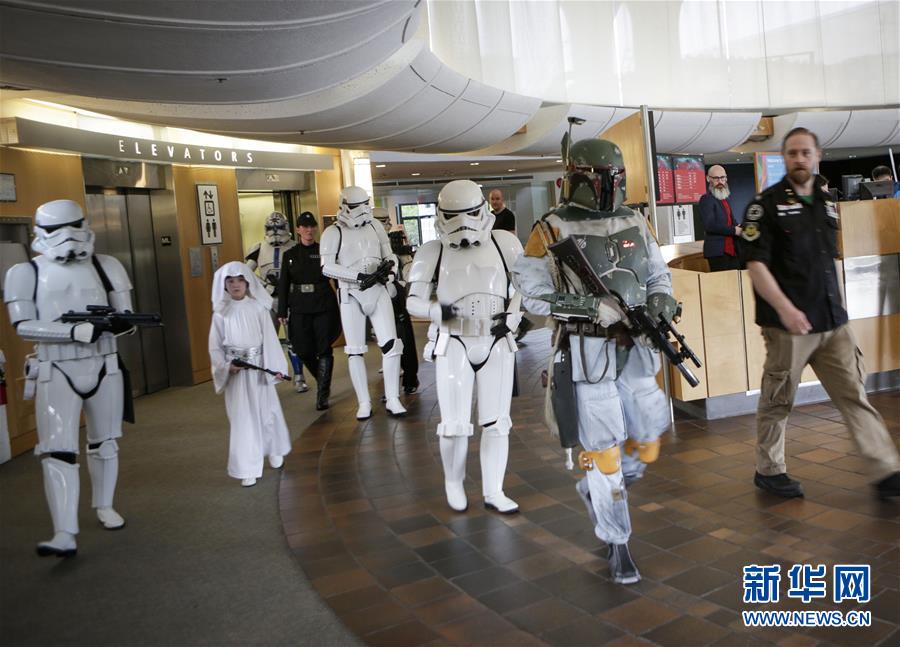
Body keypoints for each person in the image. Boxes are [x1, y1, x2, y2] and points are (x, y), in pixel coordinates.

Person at [512, 139, 675, 585]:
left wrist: (662, 298)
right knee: (603, 448)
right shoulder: (549, 228)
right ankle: (617, 538)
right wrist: (586, 308)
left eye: (615, 179)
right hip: (587, 351)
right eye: (603, 179)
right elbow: (531, 293)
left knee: (649, 434)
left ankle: (605, 482)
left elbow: (658, 272)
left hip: (637, 345)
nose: (610, 187)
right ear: (580, 177)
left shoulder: (636, 218)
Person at [743, 127, 900, 500]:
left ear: (817, 156)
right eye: (792, 153)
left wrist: (843, 309)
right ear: (785, 158)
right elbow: (756, 265)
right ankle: (770, 470)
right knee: (778, 400)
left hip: (832, 322)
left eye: (805, 152)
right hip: (788, 328)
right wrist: (787, 310)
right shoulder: (763, 206)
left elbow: (831, 261)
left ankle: (886, 470)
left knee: (854, 395)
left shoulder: (827, 203)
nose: (799, 159)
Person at [4, 200, 132, 557]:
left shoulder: (107, 266)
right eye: (56, 230)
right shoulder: (24, 272)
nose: (68, 237)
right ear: (39, 233)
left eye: (74, 226)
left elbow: (126, 317)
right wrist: (73, 332)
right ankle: (64, 531)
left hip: (103, 363)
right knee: (57, 450)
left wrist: (119, 325)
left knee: (105, 442)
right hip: (55, 366)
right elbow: (23, 325)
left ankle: (104, 505)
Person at [407, 180, 524, 514]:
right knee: (454, 424)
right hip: (454, 339)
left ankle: (494, 490)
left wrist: (513, 316)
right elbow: (413, 299)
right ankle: (453, 481)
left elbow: (526, 286)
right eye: (453, 216)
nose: (463, 224)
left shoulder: (505, 242)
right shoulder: (432, 250)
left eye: (470, 214)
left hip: (496, 337)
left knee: (497, 421)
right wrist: (437, 311)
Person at [320, 186, 407, 420]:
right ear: (344, 206)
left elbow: (389, 254)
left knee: (391, 345)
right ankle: (364, 402)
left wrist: (389, 271)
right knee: (355, 351)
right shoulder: (333, 232)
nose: (362, 211)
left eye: (365, 205)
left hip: (378, 289)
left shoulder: (375, 226)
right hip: (351, 294)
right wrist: (357, 277)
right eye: (357, 206)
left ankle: (393, 398)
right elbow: (326, 266)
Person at [209, 261, 291, 487]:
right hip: (236, 371)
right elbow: (214, 346)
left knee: (267, 411)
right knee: (242, 417)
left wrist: (275, 369)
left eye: (239, 280)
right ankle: (247, 466)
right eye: (230, 281)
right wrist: (225, 366)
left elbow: (270, 341)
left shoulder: (258, 308)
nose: (235, 285)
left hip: (259, 368)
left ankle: (274, 448)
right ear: (224, 285)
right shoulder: (220, 313)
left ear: (247, 283)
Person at [277, 212, 341, 411]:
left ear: (315, 229)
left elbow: (337, 277)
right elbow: (283, 284)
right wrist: (282, 311)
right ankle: (323, 380)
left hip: (323, 304)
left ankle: (322, 393)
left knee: (323, 348)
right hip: (299, 306)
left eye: (311, 226)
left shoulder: (325, 251)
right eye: (304, 227)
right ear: (297, 230)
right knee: (303, 349)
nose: (308, 230)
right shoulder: (290, 255)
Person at [245, 211, 307, 393]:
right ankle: (266, 376)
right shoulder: (258, 248)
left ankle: (299, 376)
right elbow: (246, 273)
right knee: (264, 341)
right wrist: (262, 284)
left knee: (294, 340)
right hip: (267, 299)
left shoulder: (296, 247)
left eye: (279, 227)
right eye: (271, 228)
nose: (275, 231)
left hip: (290, 299)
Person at [388, 224, 419, 395]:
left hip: (399, 301)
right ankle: (391, 387)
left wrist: (405, 258)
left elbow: (410, 277)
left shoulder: (404, 255)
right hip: (382, 300)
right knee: (388, 344)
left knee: (404, 339)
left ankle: (410, 378)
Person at [698, 165, 742, 271]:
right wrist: (734, 230)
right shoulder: (706, 199)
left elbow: (732, 221)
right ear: (708, 179)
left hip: (732, 251)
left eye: (723, 178)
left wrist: (740, 226)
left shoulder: (725, 199)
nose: (720, 181)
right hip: (717, 252)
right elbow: (709, 225)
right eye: (716, 178)